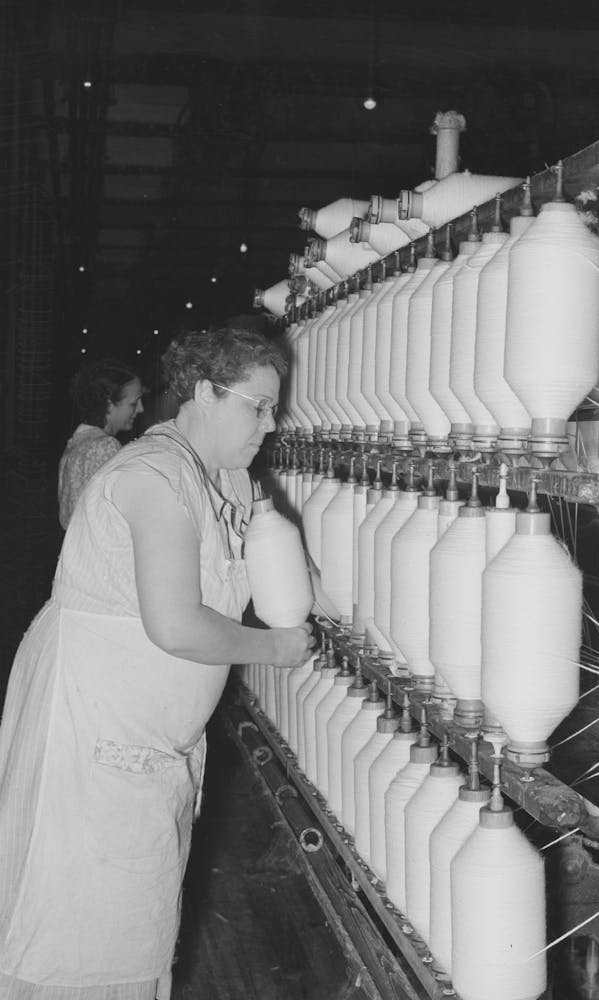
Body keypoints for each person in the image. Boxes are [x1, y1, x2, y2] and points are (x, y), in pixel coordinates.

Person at [0, 326, 315, 999]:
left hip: (145, 745)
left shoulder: (226, 477)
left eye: (273, 410)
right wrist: (275, 649)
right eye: (255, 406)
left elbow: (277, 567)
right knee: (74, 943)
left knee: (126, 934)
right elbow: (175, 625)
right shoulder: (153, 475)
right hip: (92, 736)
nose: (269, 424)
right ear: (202, 391)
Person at [57, 358, 145, 529]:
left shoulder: (76, 444)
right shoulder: (105, 447)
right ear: (109, 404)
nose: (141, 409)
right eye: (134, 403)